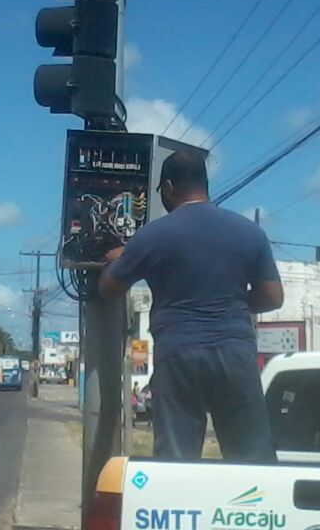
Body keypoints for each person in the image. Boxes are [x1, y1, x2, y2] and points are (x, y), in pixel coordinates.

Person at [99, 149, 284, 462]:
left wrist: (118, 260)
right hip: (235, 354)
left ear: (169, 187)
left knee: (176, 458)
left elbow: (109, 288)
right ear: (205, 184)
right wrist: (232, 304)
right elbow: (272, 297)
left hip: (178, 355)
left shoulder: (152, 236)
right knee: (251, 458)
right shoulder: (250, 233)